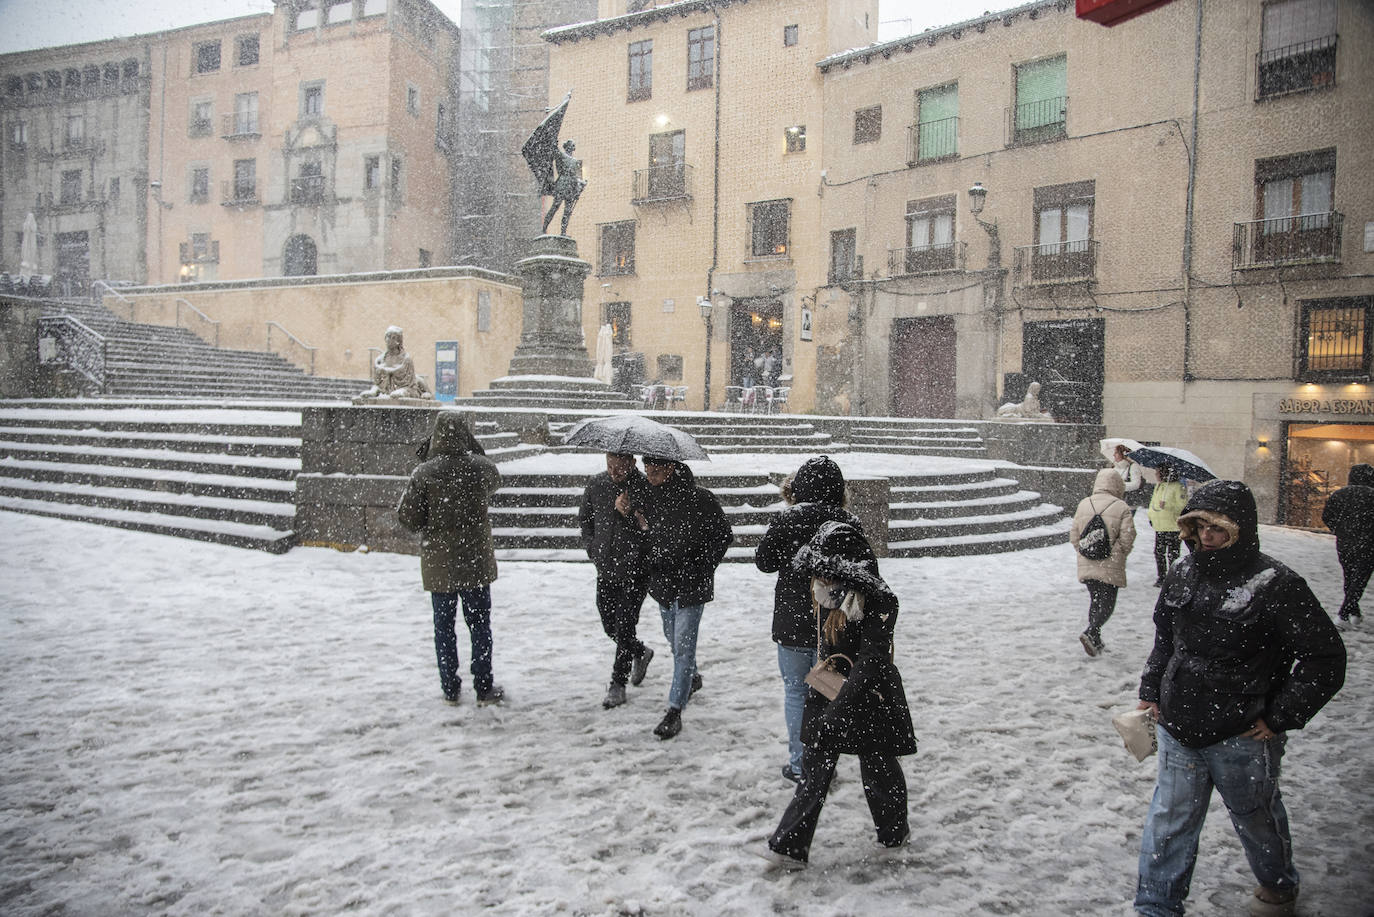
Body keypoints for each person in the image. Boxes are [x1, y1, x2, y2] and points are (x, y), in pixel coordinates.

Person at [1133, 479, 1346, 917]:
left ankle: (1278, 883)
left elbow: (1323, 659)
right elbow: (1165, 639)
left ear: (1241, 529)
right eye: (1198, 526)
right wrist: (1151, 691)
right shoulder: (1183, 571)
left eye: (1217, 528)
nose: (1206, 536)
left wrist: (1281, 715)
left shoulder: (1277, 584)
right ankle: (1156, 907)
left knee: (1257, 820)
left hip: (1243, 734)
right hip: (1179, 727)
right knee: (1169, 824)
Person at [765, 521, 916, 869]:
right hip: (829, 689)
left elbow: (872, 660)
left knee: (879, 768)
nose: (820, 582)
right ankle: (788, 848)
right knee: (815, 772)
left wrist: (841, 708)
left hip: (869, 695)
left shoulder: (879, 601)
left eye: (828, 574)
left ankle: (894, 836)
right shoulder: (828, 595)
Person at [755, 456, 861, 783]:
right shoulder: (849, 523)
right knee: (829, 692)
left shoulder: (789, 519)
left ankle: (801, 765)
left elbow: (764, 561)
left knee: (795, 693)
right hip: (834, 624)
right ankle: (824, 761)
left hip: (791, 622)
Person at [396, 412, 505, 706]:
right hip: (476, 562)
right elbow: (494, 482)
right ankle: (484, 685)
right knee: (480, 625)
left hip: (439, 565)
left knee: (443, 628)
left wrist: (428, 461)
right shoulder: (480, 468)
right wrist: (472, 449)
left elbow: (408, 518)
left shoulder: (424, 473)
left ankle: (450, 687)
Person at [634, 455, 733, 739]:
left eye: (654, 471)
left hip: (692, 586)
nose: (649, 476)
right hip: (663, 584)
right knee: (673, 636)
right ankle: (693, 677)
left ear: (670, 468)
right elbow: (647, 538)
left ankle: (674, 710)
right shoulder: (648, 499)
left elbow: (723, 536)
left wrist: (702, 566)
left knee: (683, 647)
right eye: (647, 471)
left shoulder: (700, 498)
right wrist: (636, 522)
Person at [578, 452, 654, 709]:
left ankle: (617, 683)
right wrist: (593, 548)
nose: (614, 472)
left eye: (619, 468)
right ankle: (639, 651)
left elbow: (651, 530)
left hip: (636, 569)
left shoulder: (645, 487)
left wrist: (632, 513)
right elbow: (585, 520)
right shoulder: (597, 484)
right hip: (607, 567)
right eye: (610, 466)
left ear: (632, 463)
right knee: (609, 623)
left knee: (624, 624)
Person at [1069, 467, 1137, 656]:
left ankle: (1095, 639)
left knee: (1096, 599)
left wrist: (1083, 551)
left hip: (1087, 559)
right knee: (1107, 602)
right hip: (1111, 561)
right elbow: (1128, 536)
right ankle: (1091, 631)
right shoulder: (1121, 506)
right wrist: (1120, 552)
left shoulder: (1084, 503)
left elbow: (1074, 534)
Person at [1321, 462, 1374, 624]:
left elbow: (1327, 516)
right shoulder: (1372, 495)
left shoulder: (1340, 494)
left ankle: (1354, 613)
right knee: (1359, 579)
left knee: (1349, 577)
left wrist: (1339, 530)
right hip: (1368, 543)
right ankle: (1344, 614)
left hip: (1344, 542)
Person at [1146, 464, 1187, 587]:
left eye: (1157, 472)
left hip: (1173, 526)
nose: (1155, 474)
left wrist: (1168, 506)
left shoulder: (1178, 487)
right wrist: (1150, 516)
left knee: (1172, 553)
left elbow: (1183, 506)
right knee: (1158, 552)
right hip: (1159, 526)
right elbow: (1153, 503)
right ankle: (1162, 576)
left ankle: (1173, 577)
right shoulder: (1159, 486)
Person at [364, 326, 431, 400]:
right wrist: (374, 390)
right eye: (388, 337)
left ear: (398, 341)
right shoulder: (380, 360)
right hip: (386, 391)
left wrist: (402, 390)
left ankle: (426, 391)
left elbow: (411, 385)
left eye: (393, 338)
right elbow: (378, 384)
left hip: (406, 388)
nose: (389, 340)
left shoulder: (406, 360)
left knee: (418, 379)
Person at [542, 139, 586, 236]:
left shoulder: (575, 162)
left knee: (567, 211)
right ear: (567, 147)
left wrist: (580, 185)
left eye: (573, 146)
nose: (572, 148)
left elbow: (576, 177)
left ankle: (563, 232)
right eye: (571, 146)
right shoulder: (561, 156)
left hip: (571, 187)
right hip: (562, 184)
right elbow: (554, 150)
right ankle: (544, 227)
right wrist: (553, 142)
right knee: (555, 206)